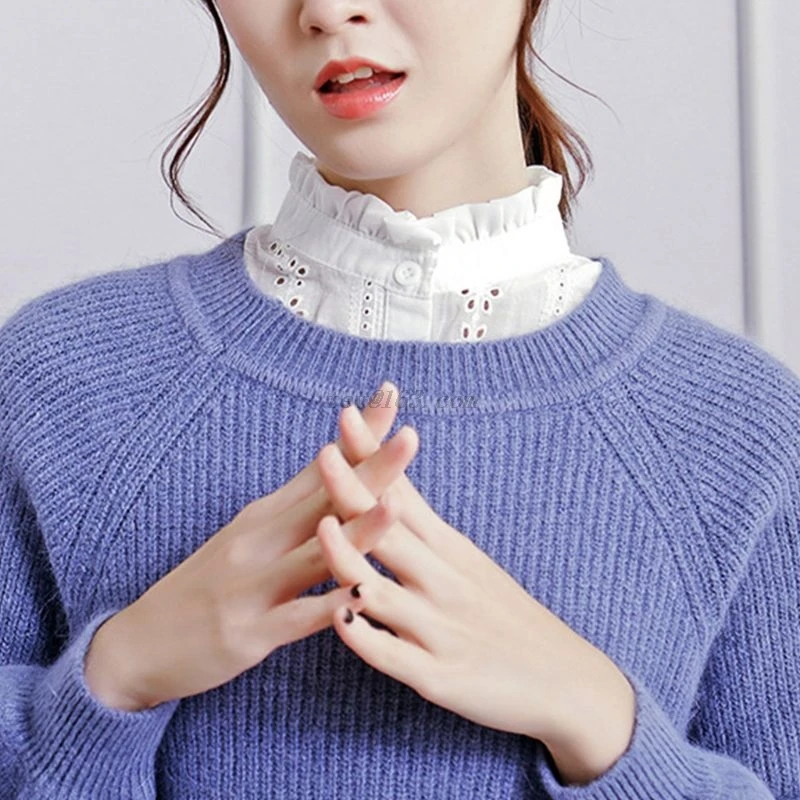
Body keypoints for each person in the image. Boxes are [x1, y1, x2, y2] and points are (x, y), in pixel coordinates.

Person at [1, 0, 798, 797]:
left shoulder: (740, 430)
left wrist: (595, 718)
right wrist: (117, 677)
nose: (326, 10)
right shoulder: (65, 378)